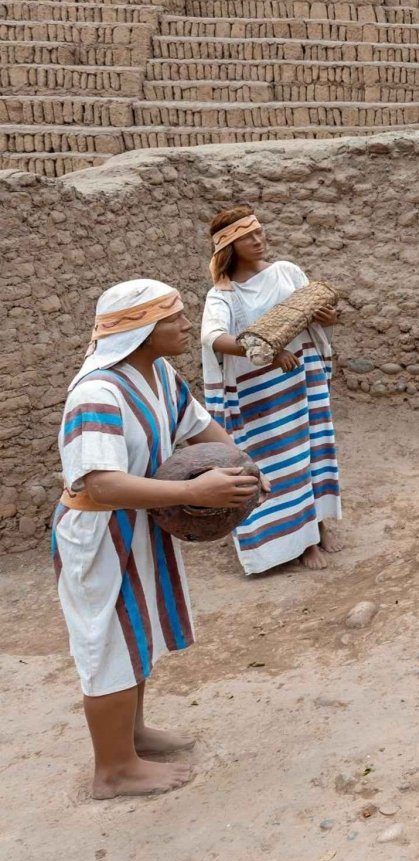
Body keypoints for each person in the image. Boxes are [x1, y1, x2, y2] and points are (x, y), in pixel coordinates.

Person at [53, 279, 264, 798]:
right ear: (140, 329)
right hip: (101, 533)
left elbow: (200, 427)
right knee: (107, 643)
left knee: (135, 633)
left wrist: (245, 470)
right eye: (173, 318)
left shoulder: (159, 374)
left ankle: (133, 736)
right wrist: (197, 490)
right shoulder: (97, 393)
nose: (186, 325)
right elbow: (99, 483)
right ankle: (114, 770)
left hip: (139, 523)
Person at [201, 206, 343, 572]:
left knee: (311, 451)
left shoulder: (286, 272)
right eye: (248, 236)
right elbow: (213, 337)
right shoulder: (224, 294)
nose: (259, 239)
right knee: (281, 462)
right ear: (229, 246)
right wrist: (265, 352)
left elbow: (312, 313)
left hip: (302, 380)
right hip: (260, 395)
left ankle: (318, 524)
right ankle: (299, 541)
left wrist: (329, 318)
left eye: (260, 231)